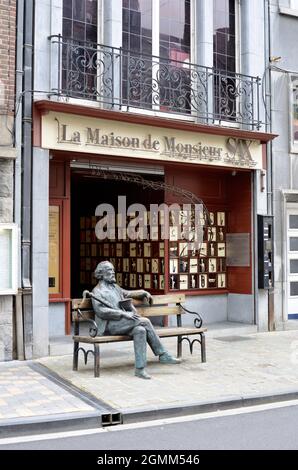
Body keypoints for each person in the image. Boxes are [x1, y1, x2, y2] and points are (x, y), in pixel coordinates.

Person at [91, 261, 181, 380]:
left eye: (113, 270)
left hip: (122, 322)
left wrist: (142, 292)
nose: (113, 272)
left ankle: (140, 369)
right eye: (109, 270)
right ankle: (163, 354)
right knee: (145, 321)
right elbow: (101, 312)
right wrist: (123, 313)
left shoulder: (114, 287)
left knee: (140, 330)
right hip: (109, 326)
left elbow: (128, 293)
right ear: (101, 273)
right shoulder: (97, 291)